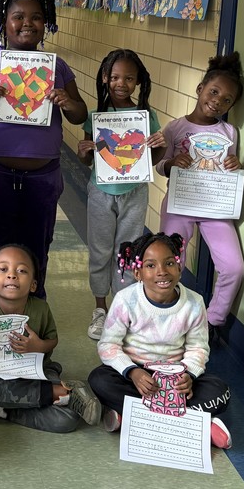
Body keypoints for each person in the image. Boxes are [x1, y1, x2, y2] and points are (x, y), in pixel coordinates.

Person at [0, 0, 88, 299]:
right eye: (18, 16)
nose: (27, 23)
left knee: (37, 246)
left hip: (43, 177)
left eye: (36, 17)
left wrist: (67, 102)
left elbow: (80, 114)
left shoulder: (58, 67)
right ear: (4, 22)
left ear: (46, 25)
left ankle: (33, 312)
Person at [87, 232, 231, 448]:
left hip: (176, 375)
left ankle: (132, 417)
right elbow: (108, 345)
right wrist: (132, 372)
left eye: (169, 263)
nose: (162, 272)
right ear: (138, 272)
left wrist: (188, 375)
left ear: (179, 267)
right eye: (151, 266)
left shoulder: (194, 302)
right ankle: (195, 424)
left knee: (220, 391)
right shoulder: (126, 300)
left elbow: (198, 348)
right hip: (137, 374)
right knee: (99, 379)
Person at [77, 49, 166, 340]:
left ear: (138, 81)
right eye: (114, 77)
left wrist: (159, 145)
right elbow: (90, 162)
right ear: (105, 78)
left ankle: (123, 309)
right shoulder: (96, 117)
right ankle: (100, 308)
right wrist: (83, 152)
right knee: (100, 250)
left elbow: (149, 162)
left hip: (134, 193)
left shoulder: (145, 117)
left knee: (126, 251)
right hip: (101, 192)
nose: (121, 83)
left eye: (129, 78)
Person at [156, 52, 244, 335]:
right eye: (214, 92)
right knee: (169, 263)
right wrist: (171, 163)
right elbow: (159, 165)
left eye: (227, 99)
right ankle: (166, 317)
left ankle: (212, 323)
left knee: (234, 267)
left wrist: (236, 166)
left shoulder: (229, 132)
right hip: (180, 204)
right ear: (200, 89)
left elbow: (227, 171)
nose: (218, 101)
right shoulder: (175, 128)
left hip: (215, 209)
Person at [0, 244, 100, 432]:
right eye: (3, 269)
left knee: (66, 421)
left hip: (38, 370)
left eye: (21, 270)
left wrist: (37, 346)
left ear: (33, 284)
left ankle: (1, 408)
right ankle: (59, 394)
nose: (12, 275)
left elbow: (52, 341)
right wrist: (5, 361)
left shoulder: (40, 309)